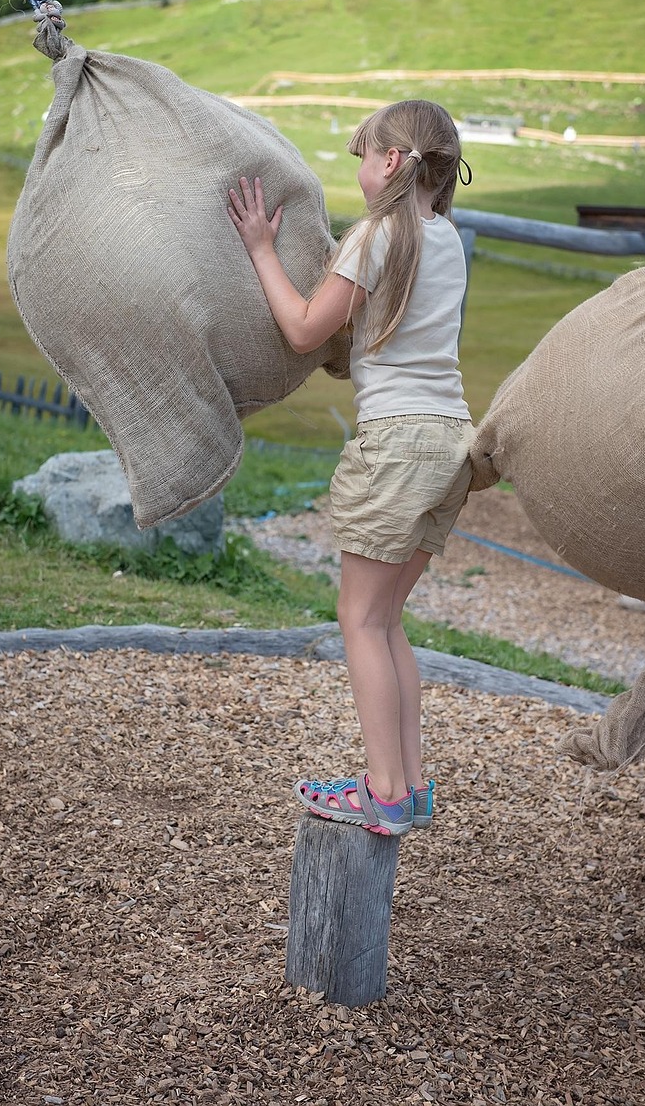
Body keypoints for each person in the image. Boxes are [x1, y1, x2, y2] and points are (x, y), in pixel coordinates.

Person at [228, 99, 473, 838]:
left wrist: (261, 249)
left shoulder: (375, 236)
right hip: (452, 440)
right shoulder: (449, 238)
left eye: (364, 155)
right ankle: (411, 783)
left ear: (393, 163)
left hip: (394, 443)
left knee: (359, 621)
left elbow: (306, 329)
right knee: (387, 619)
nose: (358, 167)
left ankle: (383, 793)